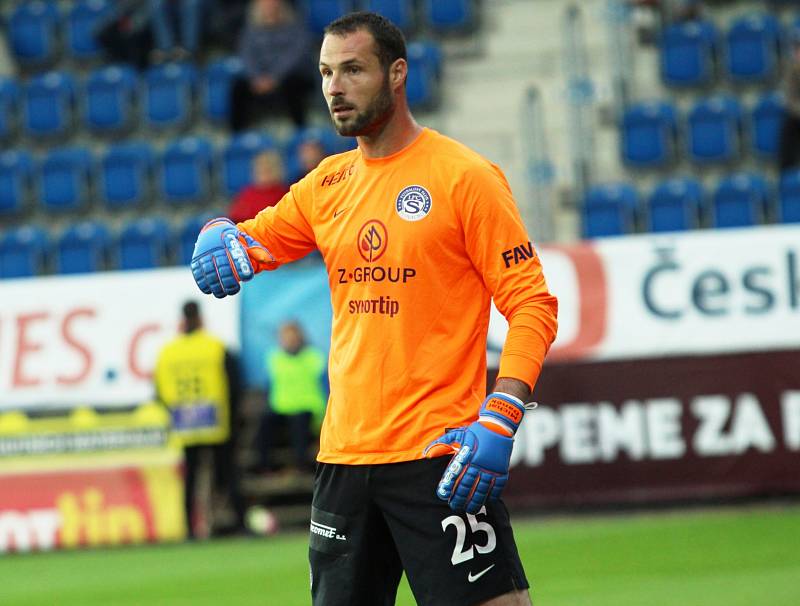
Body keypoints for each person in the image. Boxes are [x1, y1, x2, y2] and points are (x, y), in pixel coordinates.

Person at [190, 12, 558, 606]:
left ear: (397, 73)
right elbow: (246, 242)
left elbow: (532, 304)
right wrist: (216, 234)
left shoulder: (466, 178)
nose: (335, 87)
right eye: (326, 73)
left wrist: (504, 411)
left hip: (439, 458)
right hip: (342, 461)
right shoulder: (326, 185)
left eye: (353, 70)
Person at [154, 301, 247, 539]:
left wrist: (174, 413)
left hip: (185, 422)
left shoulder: (168, 352)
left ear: (182, 320)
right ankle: (239, 522)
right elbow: (234, 384)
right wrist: (233, 417)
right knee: (227, 473)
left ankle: (189, 529)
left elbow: (160, 390)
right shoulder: (215, 347)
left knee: (190, 478)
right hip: (215, 420)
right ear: (201, 319)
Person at [229, 0, 316, 131]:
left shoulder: (296, 29)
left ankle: (301, 132)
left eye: (273, 4)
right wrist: (256, 77)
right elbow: (246, 56)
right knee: (238, 87)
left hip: (286, 77)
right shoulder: (250, 32)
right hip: (259, 80)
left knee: (295, 83)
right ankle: (237, 134)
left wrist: (275, 77)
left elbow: (296, 56)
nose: (270, 8)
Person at [255, 321, 326, 474]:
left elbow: (326, 386)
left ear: (300, 337)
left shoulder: (314, 357)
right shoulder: (274, 358)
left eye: (292, 337)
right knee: (265, 422)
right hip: (281, 408)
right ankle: (263, 466)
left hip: (307, 408)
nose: (289, 341)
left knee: (300, 423)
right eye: (285, 337)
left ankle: (302, 466)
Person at [227, 149, 289, 223]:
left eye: (267, 169)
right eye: (259, 168)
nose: (262, 171)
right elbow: (234, 217)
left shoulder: (284, 194)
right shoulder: (247, 191)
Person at [779, 35, 800, 173]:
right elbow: (788, 97)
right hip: (797, 114)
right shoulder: (791, 70)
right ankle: (787, 173)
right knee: (788, 128)